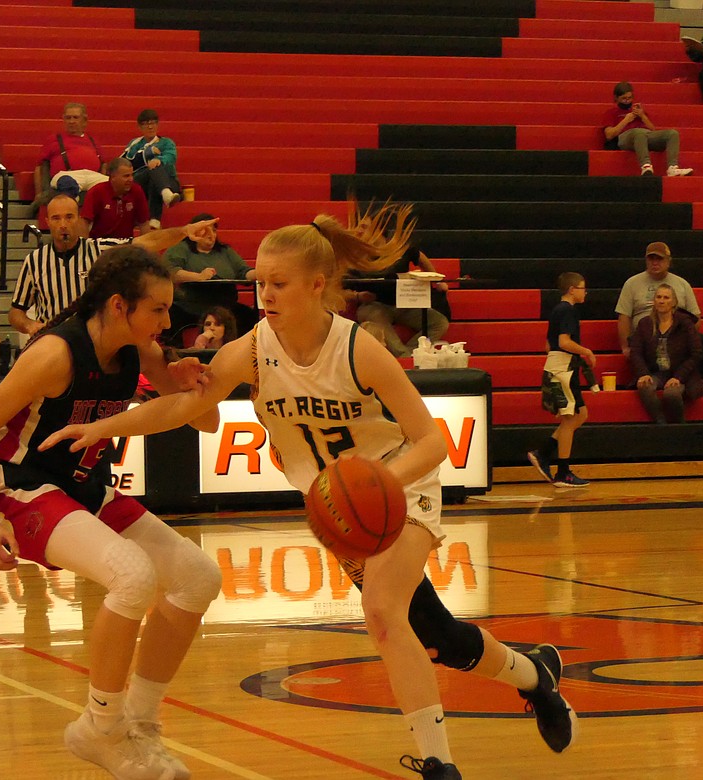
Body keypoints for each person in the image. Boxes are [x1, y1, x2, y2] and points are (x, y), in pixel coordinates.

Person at [40, 205, 577, 780]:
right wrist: (105, 425)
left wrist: (375, 485)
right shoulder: (251, 348)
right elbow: (186, 407)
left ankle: (439, 765)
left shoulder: (358, 348)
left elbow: (430, 441)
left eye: (278, 283)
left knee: (383, 613)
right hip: (340, 507)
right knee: (435, 634)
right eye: (259, 283)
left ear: (317, 285)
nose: (264, 294)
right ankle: (533, 674)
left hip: (399, 481)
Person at [0, 246, 223, 779]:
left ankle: (140, 727)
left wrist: (194, 381)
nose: (169, 322)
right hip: (21, 488)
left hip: (82, 486)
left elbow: (206, 423)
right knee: (133, 575)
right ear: (120, 305)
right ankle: (101, 728)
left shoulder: (141, 352)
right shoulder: (54, 355)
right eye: (160, 310)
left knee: (198, 575)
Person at [8, 193, 216, 338]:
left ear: (79, 219)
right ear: (47, 222)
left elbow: (146, 242)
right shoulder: (34, 261)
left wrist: (184, 231)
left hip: (93, 343)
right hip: (52, 343)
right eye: (56, 218)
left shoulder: (99, 249)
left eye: (69, 217)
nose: (63, 224)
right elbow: (16, 312)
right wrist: (30, 325)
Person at [346, 210, 451, 357]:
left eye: (363, 227)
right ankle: (405, 358)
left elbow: (420, 257)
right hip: (374, 305)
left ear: (379, 229)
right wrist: (357, 296)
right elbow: (337, 289)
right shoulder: (351, 254)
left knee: (439, 323)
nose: (357, 231)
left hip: (403, 303)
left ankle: (412, 353)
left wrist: (437, 280)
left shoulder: (399, 247)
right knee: (374, 316)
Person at [528, 272, 593, 487]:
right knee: (569, 418)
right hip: (563, 368)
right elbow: (564, 342)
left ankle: (544, 452)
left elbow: (548, 345)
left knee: (580, 414)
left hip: (560, 366)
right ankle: (563, 472)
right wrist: (586, 351)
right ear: (572, 289)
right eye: (583, 288)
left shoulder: (556, 310)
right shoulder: (568, 311)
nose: (585, 292)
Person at [616, 241, 703, 380]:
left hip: (675, 334)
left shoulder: (682, 284)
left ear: (669, 261)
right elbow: (624, 317)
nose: (655, 263)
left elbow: (696, 317)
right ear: (646, 260)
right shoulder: (632, 284)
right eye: (651, 259)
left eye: (660, 259)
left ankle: (699, 380)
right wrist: (625, 347)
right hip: (646, 336)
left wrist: (684, 336)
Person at [162, 213, 258, 342]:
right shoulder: (180, 249)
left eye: (214, 230)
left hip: (225, 305)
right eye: (205, 230)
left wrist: (260, 272)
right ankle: (174, 351)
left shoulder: (225, 251)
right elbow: (170, 271)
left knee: (249, 315)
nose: (211, 235)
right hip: (190, 305)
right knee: (171, 314)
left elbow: (243, 272)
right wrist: (198, 276)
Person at [628, 284, 703, 424]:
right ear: (654, 300)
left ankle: (679, 425)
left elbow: (696, 353)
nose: (661, 301)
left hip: (679, 373)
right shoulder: (644, 323)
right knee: (644, 386)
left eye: (666, 297)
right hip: (655, 372)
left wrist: (678, 377)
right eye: (658, 297)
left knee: (672, 394)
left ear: (674, 302)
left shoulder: (685, 323)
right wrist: (643, 373)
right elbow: (636, 352)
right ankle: (660, 422)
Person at [602, 82, 693, 177]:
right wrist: (626, 120)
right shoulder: (611, 112)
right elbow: (609, 135)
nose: (627, 101)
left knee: (672, 133)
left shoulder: (638, 111)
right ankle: (646, 166)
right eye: (624, 99)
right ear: (616, 98)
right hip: (625, 137)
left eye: (629, 98)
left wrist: (643, 116)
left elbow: (653, 130)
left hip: (645, 135)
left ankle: (673, 167)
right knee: (639, 132)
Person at [31, 101, 107, 211]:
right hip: (67, 176)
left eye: (75, 118)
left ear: (84, 121)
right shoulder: (54, 139)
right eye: (68, 118)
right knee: (68, 183)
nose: (71, 121)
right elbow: (40, 167)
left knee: (112, 186)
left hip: (91, 177)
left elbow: (103, 163)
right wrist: (38, 193)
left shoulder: (93, 141)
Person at [121, 109, 181, 229]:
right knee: (152, 169)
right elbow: (126, 161)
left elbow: (171, 156)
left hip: (167, 180)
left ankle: (160, 204)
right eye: (145, 124)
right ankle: (162, 203)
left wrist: (159, 160)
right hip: (141, 180)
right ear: (139, 127)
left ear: (157, 125)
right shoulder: (135, 143)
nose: (150, 127)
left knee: (155, 170)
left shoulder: (166, 142)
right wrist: (148, 154)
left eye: (153, 123)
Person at [79, 158, 151, 240]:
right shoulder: (96, 192)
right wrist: (85, 247)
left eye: (132, 175)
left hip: (125, 245)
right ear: (113, 177)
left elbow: (144, 223)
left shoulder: (137, 191)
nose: (131, 179)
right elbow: (84, 222)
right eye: (126, 176)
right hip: (99, 243)